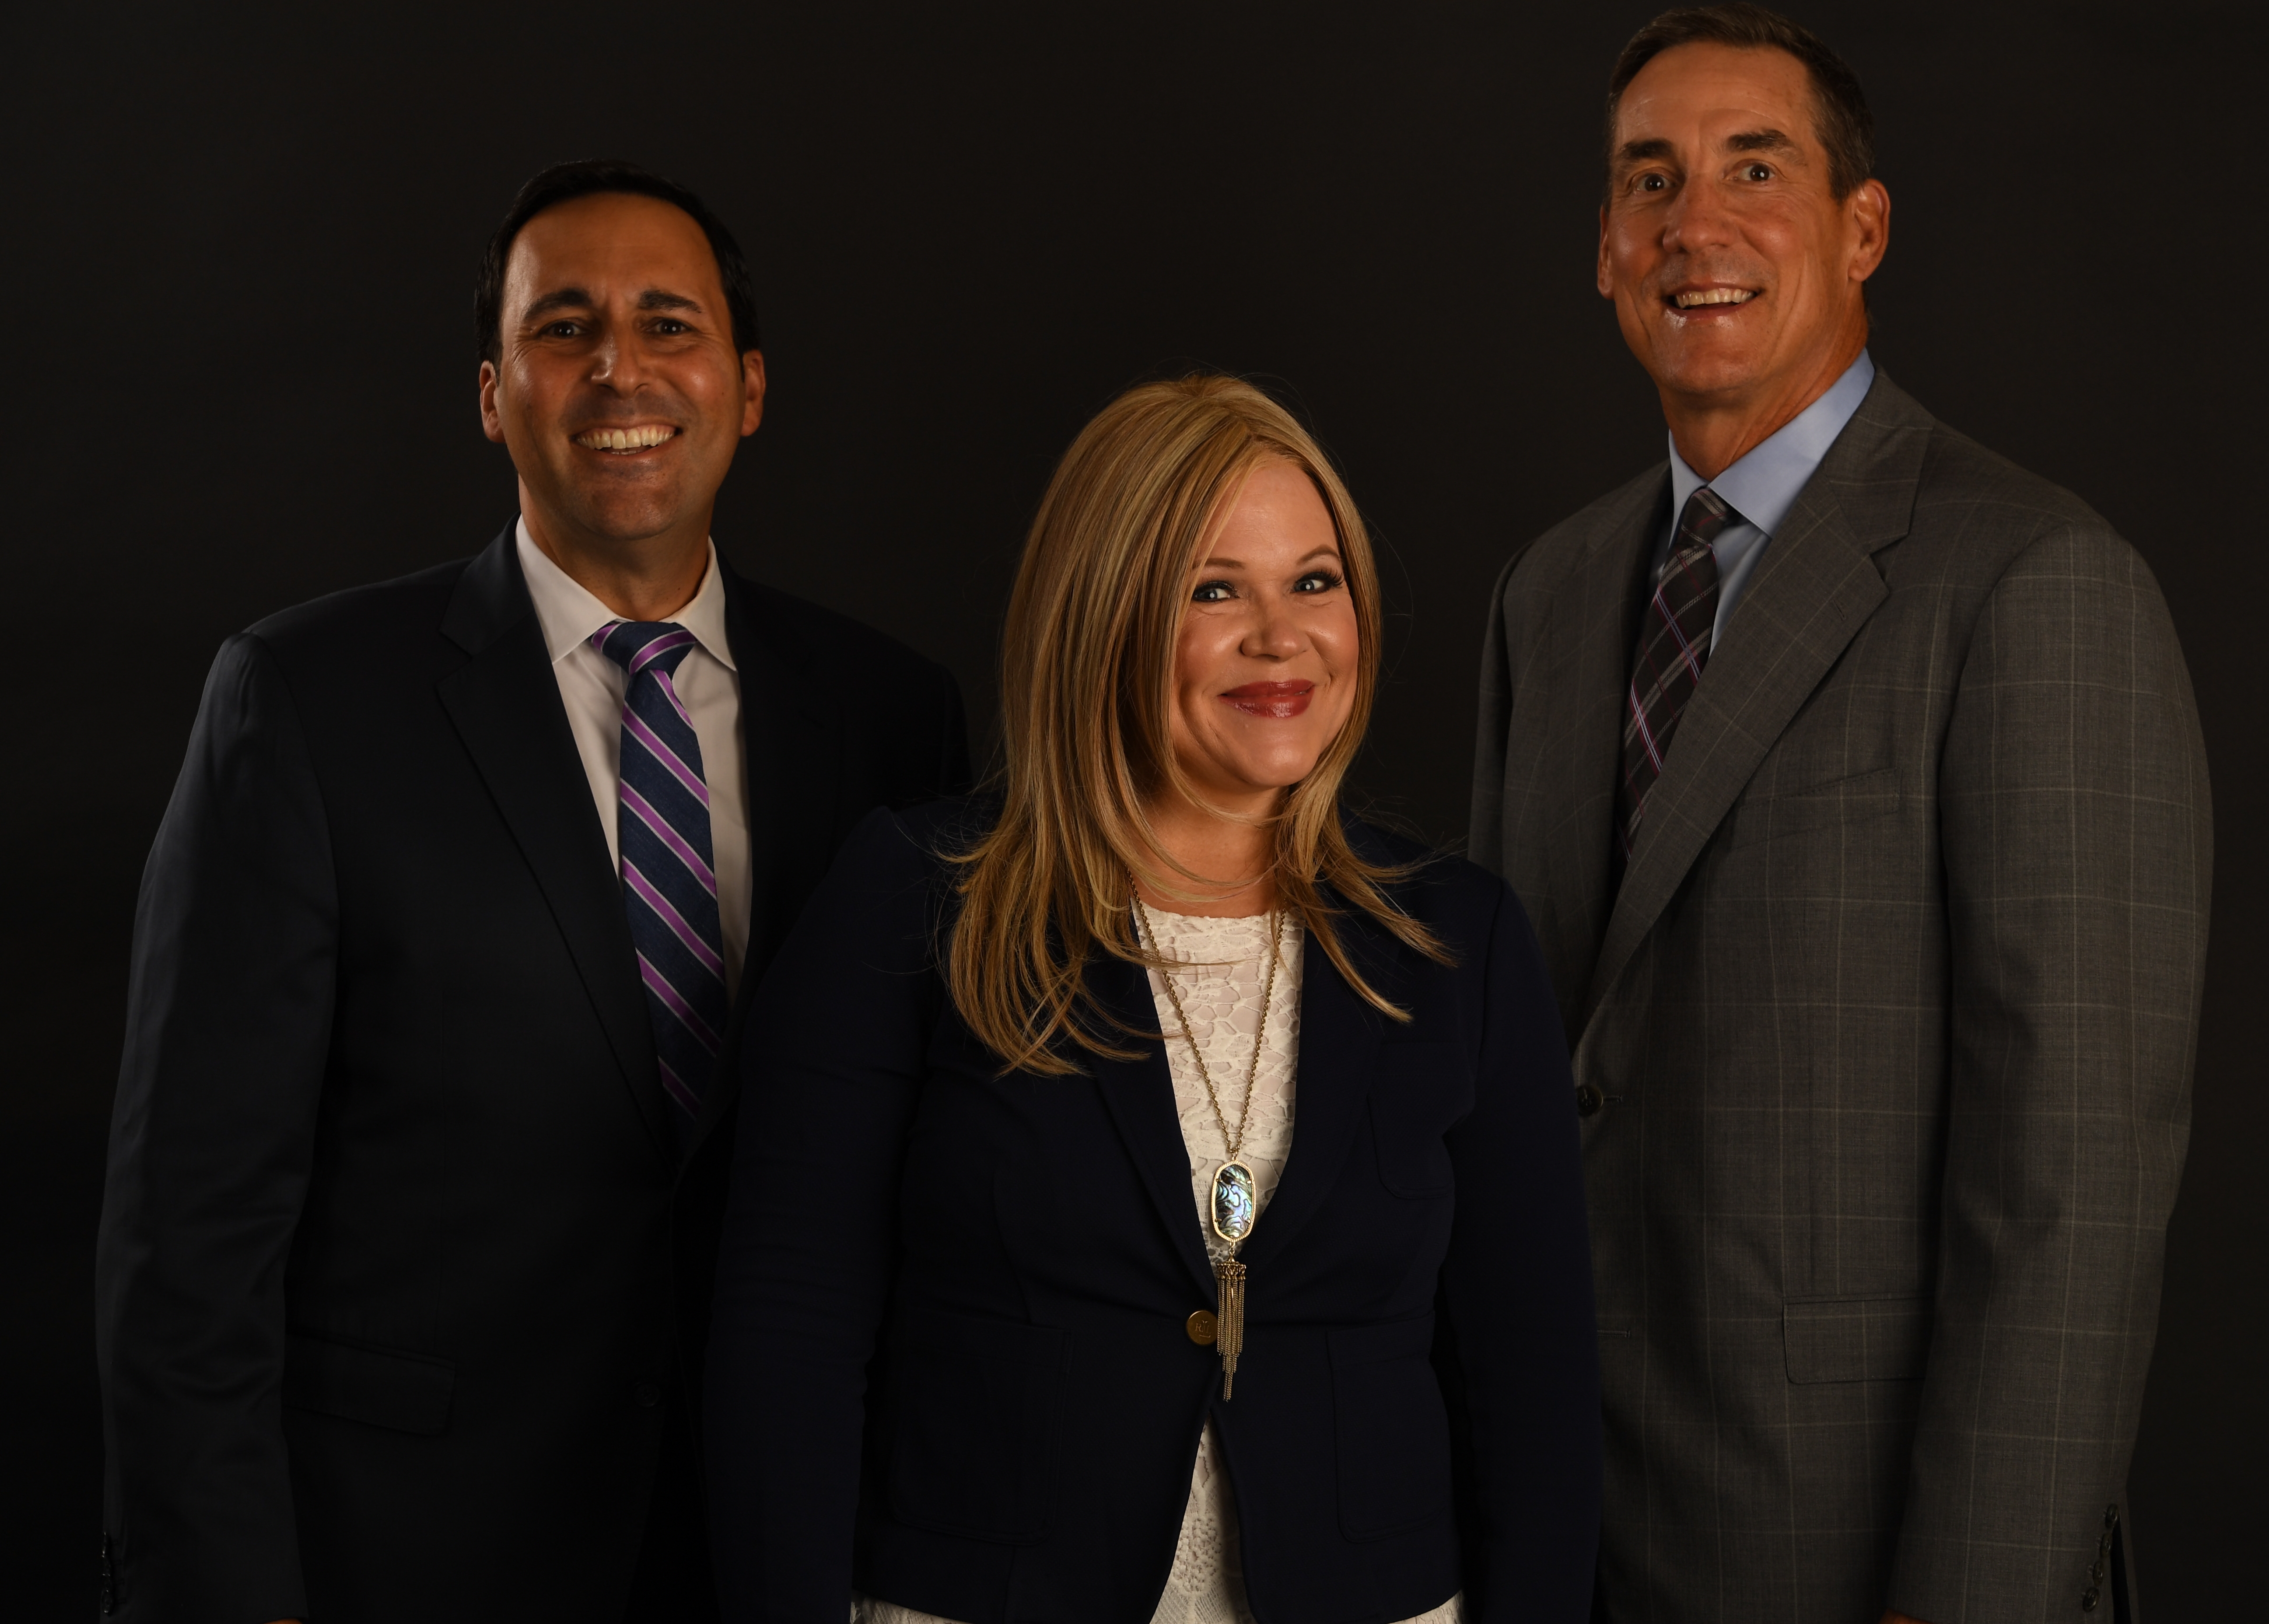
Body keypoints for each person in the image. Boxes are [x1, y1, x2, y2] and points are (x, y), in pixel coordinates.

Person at [94, 160, 968, 1623]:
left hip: (779, 1550)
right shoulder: (307, 704)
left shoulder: (893, 719)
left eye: (667, 323)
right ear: (493, 393)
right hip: (409, 1557)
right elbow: (188, 1248)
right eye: (564, 328)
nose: (619, 365)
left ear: (748, 388)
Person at [1469, 7, 2211, 1623]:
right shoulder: (1553, 593)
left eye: (1756, 167)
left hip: (1860, 1557)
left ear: (1861, 226)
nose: (1696, 224)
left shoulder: (2033, 583)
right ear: (1604, 247)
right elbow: (1518, 1079)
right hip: (1555, 1538)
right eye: (1648, 181)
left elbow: (2070, 1197)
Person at [705, 376, 1600, 1624]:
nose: (1282, 637)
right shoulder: (917, 900)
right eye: (1213, 588)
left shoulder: (1458, 941)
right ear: (1102, 616)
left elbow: (1536, 1382)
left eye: (1316, 580)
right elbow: (787, 1341)